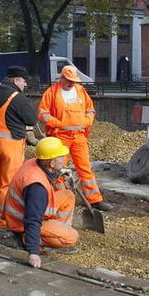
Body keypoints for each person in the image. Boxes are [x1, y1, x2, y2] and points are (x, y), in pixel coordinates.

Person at [38, 65, 113, 211]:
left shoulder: (80, 91)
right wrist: (58, 123)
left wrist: (87, 121)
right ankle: (59, 198)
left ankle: (95, 200)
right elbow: (43, 113)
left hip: (79, 137)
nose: (72, 83)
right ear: (62, 78)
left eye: (74, 81)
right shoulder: (51, 92)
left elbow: (90, 110)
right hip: (60, 137)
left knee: (85, 168)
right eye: (69, 80)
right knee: (57, 169)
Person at [3, 137, 79, 268]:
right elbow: (32, 219)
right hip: (21, 222)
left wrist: (59, 173)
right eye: (60, 157)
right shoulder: (37, 187)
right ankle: (27, 239)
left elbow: (47, 173)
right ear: (51, 163)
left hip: (27, 210)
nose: (64, 159)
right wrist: (33, 252)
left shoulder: (35, 162)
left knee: (68, 196)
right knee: (71, 237)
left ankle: (54, 231)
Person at [0, 65, 39, 231]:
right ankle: (1, 220)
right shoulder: (17, 97)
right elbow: (31, 120)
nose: (25, 85)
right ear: (15, 80)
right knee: (8, 183)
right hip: (11, 144)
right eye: (23, 81)